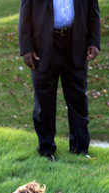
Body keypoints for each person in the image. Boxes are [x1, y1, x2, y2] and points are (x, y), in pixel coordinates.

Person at [18, 0, 101, 160]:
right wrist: (26, 48)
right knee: (44, 102)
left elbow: (93, 11)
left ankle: (80, 149)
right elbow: (25, 13)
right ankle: (46, 150)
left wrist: (94, 41)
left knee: (78, 99)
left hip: (76, 43)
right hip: (43, 46)